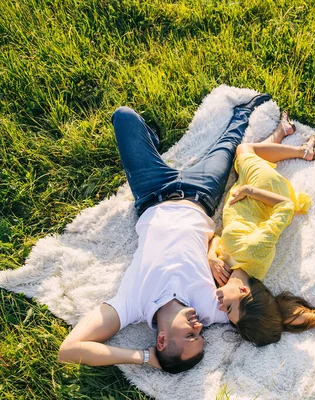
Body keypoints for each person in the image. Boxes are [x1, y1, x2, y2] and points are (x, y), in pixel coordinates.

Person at [58, 93, 272, 374]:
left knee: (123, 116)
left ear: (161, 339)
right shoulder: (211, 308)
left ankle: (149, 138)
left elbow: (69, 350)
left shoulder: (131, 304)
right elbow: (257, 302)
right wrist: (211, 254)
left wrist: (143, 358)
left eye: (190, 335)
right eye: (201, 336)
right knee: (230, 144)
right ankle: (245, 111)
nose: (199, 328)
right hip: (201, 193)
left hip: (152, 191)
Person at [207, 112, 315, 346]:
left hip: (242, 194)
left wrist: (210, 256)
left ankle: (282, 132)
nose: (220, 307)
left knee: (245, 162)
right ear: (243, 292)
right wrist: (249, 191)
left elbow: (217, 237)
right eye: (228, 308)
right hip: (265, 191)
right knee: (244, 150)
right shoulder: (256, 250)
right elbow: (285, 206)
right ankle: (302, 152)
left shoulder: (223, 276)